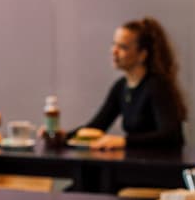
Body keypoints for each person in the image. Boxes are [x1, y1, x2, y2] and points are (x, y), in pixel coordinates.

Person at [73, 17, 187, 149]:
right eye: (113, 45)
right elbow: (96, 127)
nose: (114, 51)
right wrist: (60, 137)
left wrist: (124, 142)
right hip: (135, 163)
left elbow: (170, 135)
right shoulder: (121, 86)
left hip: (160, 165)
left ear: (142, 55)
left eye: (122, 47)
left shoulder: (157, 86)